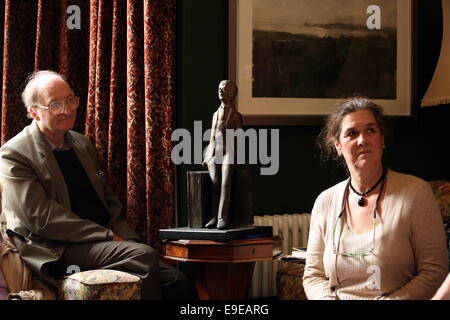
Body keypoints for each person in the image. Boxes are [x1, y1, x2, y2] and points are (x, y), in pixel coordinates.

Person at [0, 70, 190, 300]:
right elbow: (40, 218)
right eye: (56, 104)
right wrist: (107, 236)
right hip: (56, 248)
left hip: (100, 241)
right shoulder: (14, 153)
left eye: (71, 100)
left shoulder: (82, 144)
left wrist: (126, 238)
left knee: (177, 280)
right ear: (34, 112)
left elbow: (108, 199)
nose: (67, 109)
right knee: (143, 256)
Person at [303, 97, 448, 300]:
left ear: (382, 140)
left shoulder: (415, 193)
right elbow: (313, 276)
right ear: (337, 145)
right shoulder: (325, 201)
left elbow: (435, 272)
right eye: (352, 133)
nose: (362, 139)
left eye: (370, 130)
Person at [203, 80, 243, 229]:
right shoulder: (215, 114)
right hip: (214, 152)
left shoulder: (236, 116)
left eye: (224, 89)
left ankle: (222, 217)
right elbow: (212, 136)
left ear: (232, 93)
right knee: (215, 184)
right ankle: (214, 217)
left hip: (229, 152)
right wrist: (207, 155)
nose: (220, 91)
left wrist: (237, 157)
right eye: (219, 88)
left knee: (226, 184)